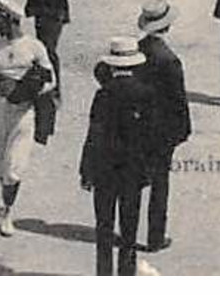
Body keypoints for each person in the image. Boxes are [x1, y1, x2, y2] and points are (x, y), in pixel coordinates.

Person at [80, 36, 160, 276]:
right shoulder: (146, 93)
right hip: (132, 171)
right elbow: (151, 137)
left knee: (104, 227)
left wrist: (86, 170)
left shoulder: (103, 94)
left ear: (113, 65)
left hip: (105, 169)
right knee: (129, 229)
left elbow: (94, 134)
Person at [0, 0, 54, 237]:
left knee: (14, 166)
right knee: (0, 163)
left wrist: (30, 91)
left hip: (23, 112)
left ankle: (7, 212)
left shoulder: (34, 47)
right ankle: (5, 200)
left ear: (10, 20)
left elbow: (51, 80)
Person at [135, 0, 191, 253]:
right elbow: (178, 100)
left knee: (134, 179)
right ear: (167, 26)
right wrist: (182, 131)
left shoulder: (137, 50)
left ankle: (128, 229)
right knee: (160, 183)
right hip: (161, 130)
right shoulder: (169, 60)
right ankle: (155, 236)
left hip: (137, 125)